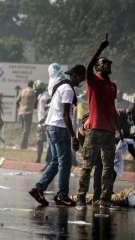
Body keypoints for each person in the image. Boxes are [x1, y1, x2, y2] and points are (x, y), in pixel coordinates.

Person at [29, 64, 86, 207]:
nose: (82, 81)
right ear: (76, 76)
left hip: (51, 126)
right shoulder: (67, 90)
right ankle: (62, 196)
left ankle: (39, 189)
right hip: (60, 128)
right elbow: (66, 115)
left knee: (55, 161)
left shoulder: (62, 86)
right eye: (81, 78)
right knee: (65, 163)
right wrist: (73, 136)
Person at [77, 34, 118, 209]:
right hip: (94, 130)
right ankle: (81, 198)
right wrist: (101, 48)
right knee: (87, 166)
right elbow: (88, 67)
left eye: (109, 63)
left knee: (108, 167)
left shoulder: (112, 86)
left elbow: (112, 109)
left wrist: (120, 129)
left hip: (109, 132)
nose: (108, 65)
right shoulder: (93, 81)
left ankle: (104, 198)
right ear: (98, 67)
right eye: (105, 62)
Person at [77, 103, 135, 206]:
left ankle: (106, 192)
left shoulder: (126, 122)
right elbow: (111, 136)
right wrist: (127, 137)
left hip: (102, 139)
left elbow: (125, 141)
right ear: (130, 113)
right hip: (88, 135)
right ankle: (97, 196)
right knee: (100, 164)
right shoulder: (117, 115)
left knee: (112, 164)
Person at [16, 80, 37, 149]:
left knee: (23, 129)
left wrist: (19, 108)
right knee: (26, 130)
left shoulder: (22, 91)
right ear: (32, 85)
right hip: (28, 112)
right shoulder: (33, 92)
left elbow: (17, 101)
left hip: (21, 112)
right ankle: (23, 146)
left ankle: (22, 144)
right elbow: (36, 103)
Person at [35, 84, 50, 163]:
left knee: (45, 142)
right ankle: (39, 158)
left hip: (44, 122)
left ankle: (46, 160)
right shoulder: (41, 96)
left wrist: (42, 119)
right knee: (40, 141)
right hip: (42, 121)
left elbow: (47, 109)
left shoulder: (45, 97)